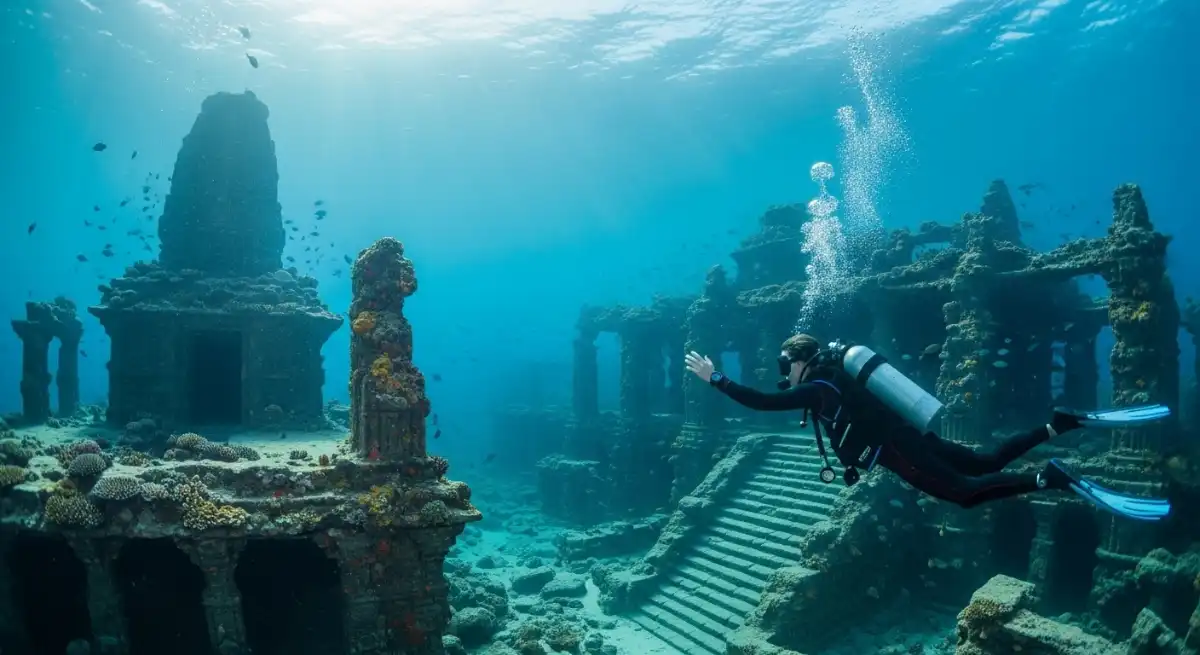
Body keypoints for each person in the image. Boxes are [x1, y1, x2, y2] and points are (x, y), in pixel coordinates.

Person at [684, 333, 1172, 520]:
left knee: (964, 491)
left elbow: (762, 403)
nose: (781, 372)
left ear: (799, 359)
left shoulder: (820, 385)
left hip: (896, 448)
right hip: (905, 435)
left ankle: (1052, 478)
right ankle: (1057, 424)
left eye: (783, 363)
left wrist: (716, 379)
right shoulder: (833, 383)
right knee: (986, 461)